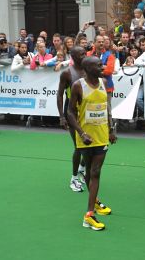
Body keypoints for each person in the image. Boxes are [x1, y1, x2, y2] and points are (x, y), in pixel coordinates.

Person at [67, 56, 117, 231]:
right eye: (98, 65)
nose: (102, 67)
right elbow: (70, 112)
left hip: (102, 135)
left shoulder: (104, 82)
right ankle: (92, 208)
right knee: (90, 171)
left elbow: (106, 107)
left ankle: (90, 212)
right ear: (88, 69)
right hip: (86, 136)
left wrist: (111, 129)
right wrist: (81, 132)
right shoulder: (78, 86)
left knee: (95, 171)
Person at [57, 46, 87, 192]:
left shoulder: (89, 70)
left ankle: (82, 168)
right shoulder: (67, 73)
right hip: (71, 112)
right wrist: (62, 116)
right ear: (73, 57)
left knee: (89, 146)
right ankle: (74, 178)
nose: (85, 55)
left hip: (86, 112)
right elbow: (59, 95)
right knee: (79, 147)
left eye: (85, 53)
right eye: (81, 54)